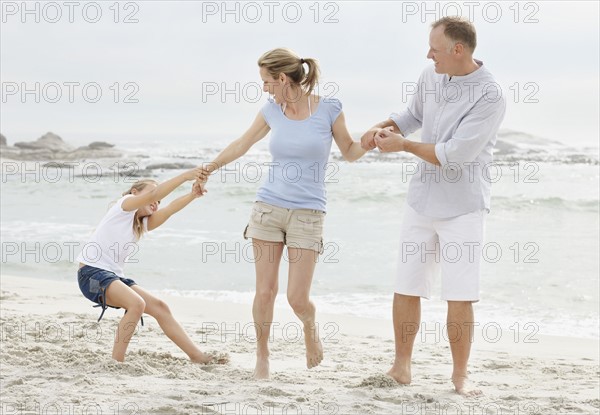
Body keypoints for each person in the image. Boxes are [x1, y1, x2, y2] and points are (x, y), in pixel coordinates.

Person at [198, 48, 367, 379]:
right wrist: (211, 166)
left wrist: (372, 140)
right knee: (265, 291)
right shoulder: (271, 110)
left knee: (297, 298)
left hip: (308, 213)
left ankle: (309, 328)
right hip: (268, 208)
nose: (263, 88)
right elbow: (242, 143)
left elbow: (350, 151)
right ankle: (262, 356)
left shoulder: (329, 109)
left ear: (282, 78)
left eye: (266, 81)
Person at [361, 17, 506, 396]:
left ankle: (460, 375)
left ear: (459, 50)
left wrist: (404, 146)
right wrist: (384, 128)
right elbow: (412, 117)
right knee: (406, 285)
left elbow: (455, 155)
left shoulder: (490, 96)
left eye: (435, 49)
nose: (429, 55)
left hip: (464, 207)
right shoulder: (431, 75)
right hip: (421, 200)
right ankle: (401, 367)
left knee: (459, 293)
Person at [76, 169, 223, 364]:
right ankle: (116, 362)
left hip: (112, 277)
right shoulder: (123, 206)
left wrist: (192, 195)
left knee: (161, 308)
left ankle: (197, 357)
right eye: (153, 195)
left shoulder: (140, 224)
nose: (156, 201)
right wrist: (185, 176)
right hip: (91, 277)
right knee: (137, 304)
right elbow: (156, 194)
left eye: (158, 201)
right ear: (134, 193)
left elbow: (169, 208)